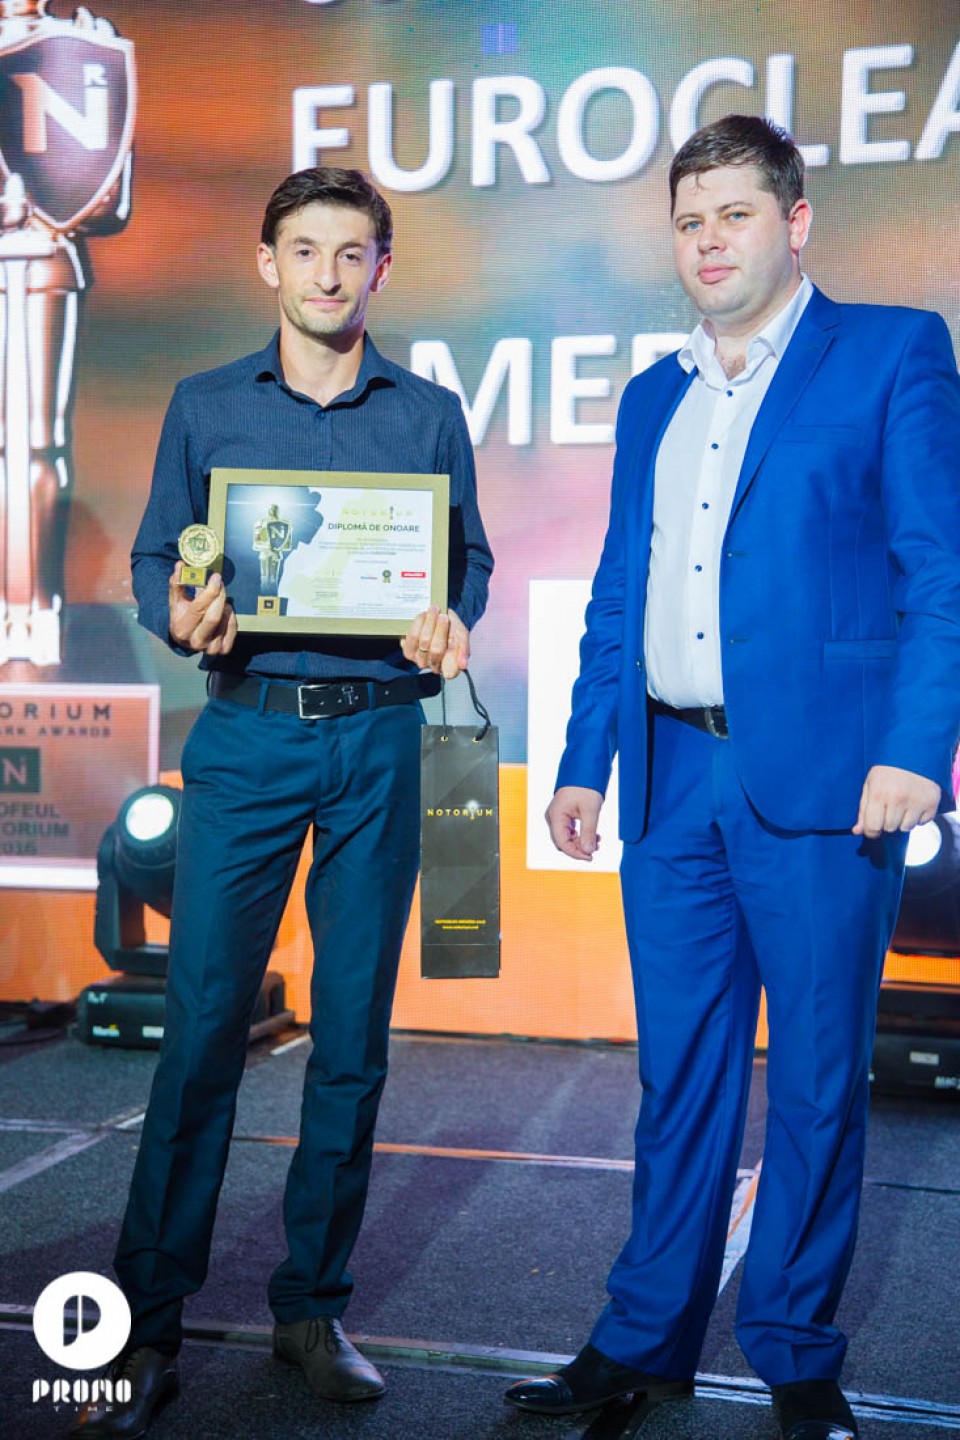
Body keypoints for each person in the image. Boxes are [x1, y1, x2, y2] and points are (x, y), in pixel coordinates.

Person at [504, 115, 960, 1440]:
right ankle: (643, 1339)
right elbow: (619, 590)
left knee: (817, 1080)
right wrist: (583, 758)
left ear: (796, 222)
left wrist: (913, 749)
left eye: (736, 215)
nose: (709, 241)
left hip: (829, 783)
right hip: (670, 778)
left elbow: (938, 571)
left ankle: (797, 1354)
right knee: (680, 1079)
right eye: (690, 221)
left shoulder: (893, 351)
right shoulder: (654, 394)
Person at [72, 166, 492, 1437]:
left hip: (378, 741)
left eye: (351, 252)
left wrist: (450, 613)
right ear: (268, 262)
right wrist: (175, 611)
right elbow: (160, 554)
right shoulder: (206, 404)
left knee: (351, 1042)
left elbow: (466, 556)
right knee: (203, 1029)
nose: (327, 273)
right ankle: (147, 1326)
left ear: (381, 269)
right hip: (247, 737)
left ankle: (312, 1310)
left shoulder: (427, 415)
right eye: (304, 249)